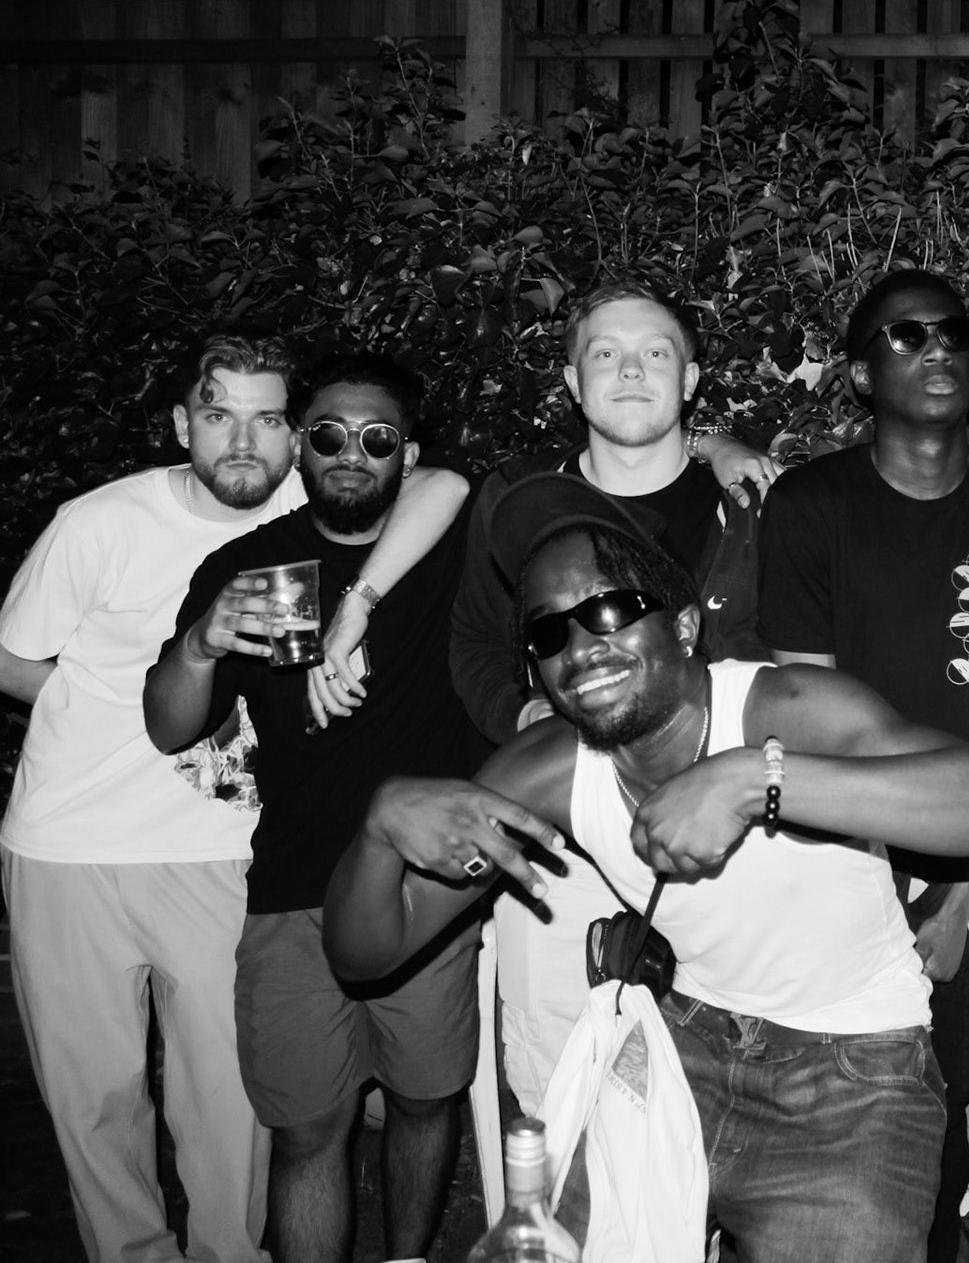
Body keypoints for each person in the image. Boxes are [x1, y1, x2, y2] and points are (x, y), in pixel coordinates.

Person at [319, 471, 969, 1262]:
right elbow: (366, 955)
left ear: (688, 626)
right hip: (681, 1043)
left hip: (855, 1066)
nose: (581, 648)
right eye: (549, 633)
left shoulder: (780, 710)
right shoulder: (549, 769)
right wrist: (378, 828)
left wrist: (755, 780)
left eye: (610, 611)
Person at [0, 335, 464, 1263]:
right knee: (100, 1101)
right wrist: (157, 681)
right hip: (81, 839)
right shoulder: (105, 524)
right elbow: (25, 663)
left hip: (224, 846)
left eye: (268, 419)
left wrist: (356, 607)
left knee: (234, 1103)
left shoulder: (338, 499)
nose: (245, 441)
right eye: (219, 415)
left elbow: (447, 483)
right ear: (183, 425)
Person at [323, 277, 778, 1123]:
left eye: (655, 353)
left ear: (690, 379)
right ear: (573, 381)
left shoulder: (748, 505)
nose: (630, 370)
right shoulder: (518, 503)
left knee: (724, 1097)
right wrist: (521, 716)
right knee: (562, 1098)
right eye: (605, 353)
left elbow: (776, 661)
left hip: (719, 839)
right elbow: (475, 641)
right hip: (561, 846)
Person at [759, 266, 969, 1262]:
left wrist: (958, 892)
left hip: (966, 865)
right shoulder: (809, 505)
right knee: (829, 1124)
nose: (937, 349)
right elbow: (809, 716)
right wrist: (877, 877)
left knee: (940, 1116)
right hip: (832, 856)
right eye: (906, 335)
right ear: (859, 372)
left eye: (952, 332)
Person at [144, 352, 477, 1263]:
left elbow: (455, 483)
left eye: (378, 438)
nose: (349, 454)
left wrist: (355, 607)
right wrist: (201, 645)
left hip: (425, 890)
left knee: (423, 1101)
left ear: (407, 453)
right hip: (294, 888)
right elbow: (169, 728)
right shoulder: (248, 564)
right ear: (298, 445)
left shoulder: (445, 543)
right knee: (306, 1130)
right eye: (327, 434)